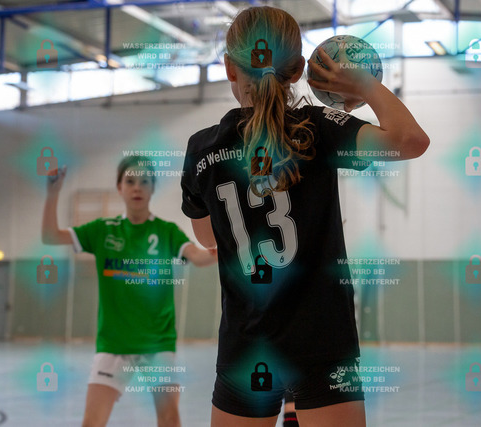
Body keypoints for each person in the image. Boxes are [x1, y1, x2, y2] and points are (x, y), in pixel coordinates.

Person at [180, 6, 429, 426]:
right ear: (298, 70)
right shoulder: (316, 128)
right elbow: (410, 140)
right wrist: (364, 83)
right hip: (322, 342)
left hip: (247, 345)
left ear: (229, 68)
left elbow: (207, 239)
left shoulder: (202, 149)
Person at [42, 156, 217, 427]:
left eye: (145, 181)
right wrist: (52, 193)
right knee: (91, 423)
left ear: (153, 188)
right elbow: (50, 236)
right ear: (119, 187)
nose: (137, 187)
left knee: (169, 419)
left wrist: (223, 247)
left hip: (157, 344)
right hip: (113, 345)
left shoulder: (167, 231)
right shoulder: (102, 230)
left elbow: (198, 256)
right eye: (130, 181)